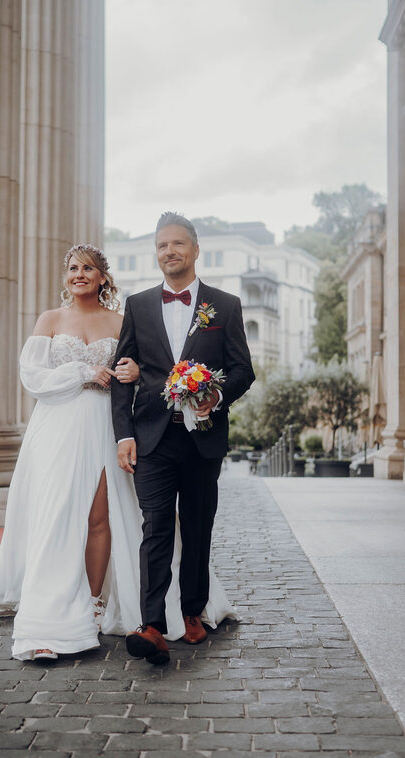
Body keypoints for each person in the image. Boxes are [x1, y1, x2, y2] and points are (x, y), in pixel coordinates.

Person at [0, 244, 234, 660]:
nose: (79, 274)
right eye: (72, 268)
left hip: (106, 425)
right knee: (56, 513)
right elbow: (32, 376)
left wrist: (137, 373)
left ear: (103, 277)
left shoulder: (124, 320)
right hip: (58, 425)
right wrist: (83, 371)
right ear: (65, 276)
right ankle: (49, 611)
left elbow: (145, 374)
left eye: (88, 268)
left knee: (100, 516)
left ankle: (94, 602)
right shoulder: (50, 320)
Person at [111, 212, 255, 665]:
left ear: (194, 249)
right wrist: (123, 435)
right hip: (152, 437)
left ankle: (192, 610)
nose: (168, 252)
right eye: (161, 246)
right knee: (154, 528)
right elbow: (121, 375)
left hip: (203, 438)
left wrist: (217, 394)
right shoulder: (138, 305)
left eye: (176, 244)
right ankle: (151, 623)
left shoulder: (225, 305)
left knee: (197, 527)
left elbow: (243, 369)